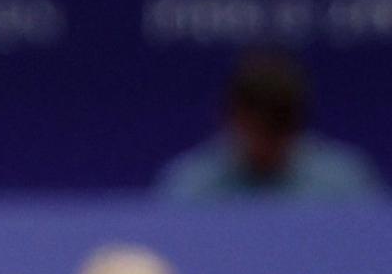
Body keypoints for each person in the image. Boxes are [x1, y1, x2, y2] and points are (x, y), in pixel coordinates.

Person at [154, 50, 382, 202]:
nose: (266, 146)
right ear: (234, 120)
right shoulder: (189, 186)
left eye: (278, 132)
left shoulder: (346, 184)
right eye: (256, 132)